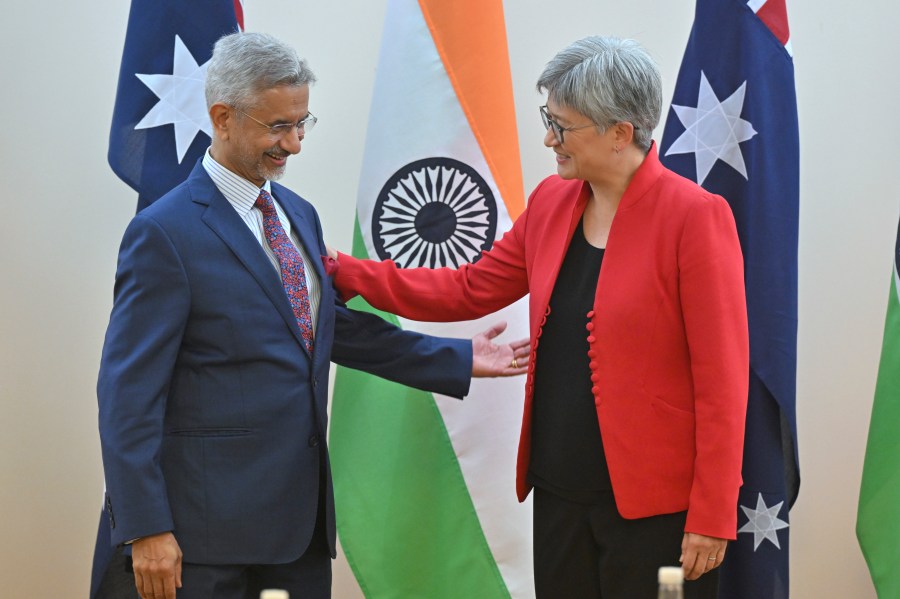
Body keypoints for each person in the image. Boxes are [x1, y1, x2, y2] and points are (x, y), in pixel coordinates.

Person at [96, 31, 529, 599]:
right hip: (203, 539)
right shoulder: (164, 233)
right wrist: (147, 527)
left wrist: (457, 356)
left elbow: (322, 329)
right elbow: (127, 393)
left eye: (302, 123)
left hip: (297, 530)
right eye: (278, 127)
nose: (295, 144)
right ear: (223, 117)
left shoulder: (296, 213)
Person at [326, 36, 749, 598]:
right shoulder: (552, 201)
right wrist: (341, 272)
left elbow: (723, 382)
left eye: (563, 126)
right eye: (548, 119)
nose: (549, 138)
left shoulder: (695, 218)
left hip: (657, 514)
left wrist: (713, 514)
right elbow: (467, 290)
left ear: (620, 132)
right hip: (558, 494)